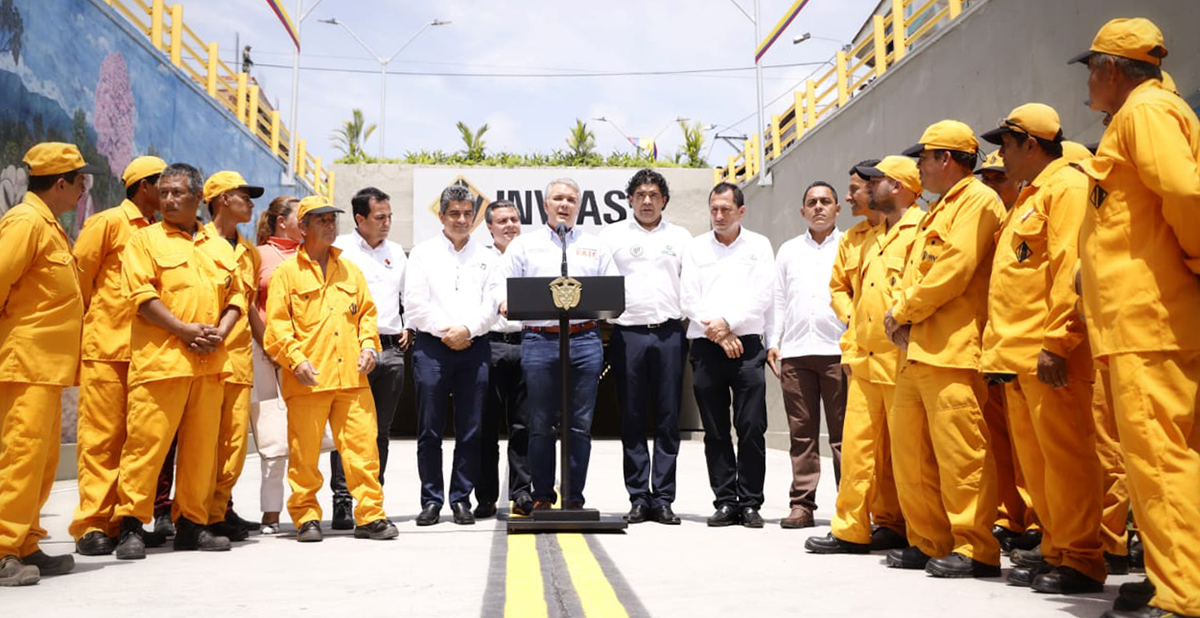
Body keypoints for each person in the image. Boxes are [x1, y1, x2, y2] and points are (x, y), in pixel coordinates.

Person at [1070, 17, 1200, 618]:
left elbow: (1185, 192)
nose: (1088, 84)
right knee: (1158, 460)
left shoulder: (1144, 112)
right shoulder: (1146, 112)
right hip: (1139, 322)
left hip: (1147, 319)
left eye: (1091, 70)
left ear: (1111, 69)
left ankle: (1184, 597)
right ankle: (1171, 575)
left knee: (1159, 460)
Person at [979, 104, 1106, 594]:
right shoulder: (1031, 196)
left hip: (1049, 356)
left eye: (1007, 145)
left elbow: (1070, 272)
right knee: (1042, 468)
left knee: (1067, 462)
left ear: (1031, 143)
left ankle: (1082, 558)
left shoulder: (1067, 188)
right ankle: (1057, 549)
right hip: (1019, 359)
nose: (1002, 155)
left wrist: (1058, 342)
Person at [883, 120, 1004, 578]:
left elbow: (953, 270)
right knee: (911, 453)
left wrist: (903, 310)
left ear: (946, 159)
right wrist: (903, 315)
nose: (919, 166)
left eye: (924, 157)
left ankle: (976, 548)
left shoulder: (978, 201)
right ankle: (930, 540)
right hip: (919, 351)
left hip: (954, 350)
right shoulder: (939, 209)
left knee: (962, 454)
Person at [112, 162, 244, 560]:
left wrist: (220, 331)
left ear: (196, 198)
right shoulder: (145, 241)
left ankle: (192, 525)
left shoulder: (219, 247)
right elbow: (141, 297)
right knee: (145, 448)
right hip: (161, 363)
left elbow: (237, 297)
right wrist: (184, 330)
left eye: (176, 193)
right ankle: (131, 526)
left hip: (209, 365)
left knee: (200, 452)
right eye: (163, 192)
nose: (167, 199)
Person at [805, 156, 922, 554]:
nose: (853, 194)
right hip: (863, 356)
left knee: (902, 454)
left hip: (901, 358)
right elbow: (838, 287)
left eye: (857, 187)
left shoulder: (912, 229)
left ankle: (901, 526)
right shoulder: (856, 238)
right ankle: (852, 528)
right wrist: (855, 316)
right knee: (858, 451)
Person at [263, 195, 398, 543]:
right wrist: (296, 359)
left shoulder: (350, 269)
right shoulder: (286, 273)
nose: (329, 225)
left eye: (331, 219)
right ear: (303, 227)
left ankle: (370, 516)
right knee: (304, 454)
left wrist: (369, 346)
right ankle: (306, 516)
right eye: (320, 220)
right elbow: (277, 326)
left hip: (352, 378)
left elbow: (367, 314)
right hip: (308, 378)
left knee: (363, 451)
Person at [491, 178, 618, 510]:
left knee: (580, 424)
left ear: (579, 206)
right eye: (558, 199)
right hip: (539, 340)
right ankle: (543, 496)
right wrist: (504, 301)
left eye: (571, 199)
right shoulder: (523, 246)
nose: (564, 204)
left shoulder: (595, 245)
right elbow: (500, 285)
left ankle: (574, 498)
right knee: (540, 423)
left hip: (585, 339)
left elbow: (614, 290)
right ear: (545, 205)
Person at [0, 143, 93, 585]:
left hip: (46, 369)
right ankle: (2, 549)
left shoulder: (48, 224)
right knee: (19, 460)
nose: (82, 191)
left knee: (39, 464)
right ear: (61, 183)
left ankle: (25, 542)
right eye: (80, 182)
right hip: (24, 365)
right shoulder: (25, 222)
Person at [69, 155, 164, 556]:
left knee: (138, 442)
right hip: (107, 349)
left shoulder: (160, 232)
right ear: (144, 185)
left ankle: (126, 522)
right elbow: (79, 280)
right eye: (164, 184)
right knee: (101, 440)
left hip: (146, 353)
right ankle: (92, 524)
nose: (170, 192)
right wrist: (91, 328)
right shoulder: (108, 223)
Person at [680, 182, 775, 528]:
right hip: (707, 347)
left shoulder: (759, 246)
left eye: (726, 210)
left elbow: (763, 294)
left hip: (748, 347)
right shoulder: (695, 248)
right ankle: (725, 500)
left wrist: (729, 324)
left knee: (751, 426)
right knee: (716, 429)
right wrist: (720, 334)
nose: (719, 216)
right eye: (714, 209)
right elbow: (688, 299)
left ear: (741, 212)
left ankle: (750, 502)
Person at [600, 169, 692, 525]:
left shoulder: (681, 237)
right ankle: (639, 497)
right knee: (632, 417)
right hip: (628, 335)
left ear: (664, 200)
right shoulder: (612, 236)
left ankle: (664, 497)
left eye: (654, 195)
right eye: (640, 195)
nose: (648, 201)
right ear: (630, 200)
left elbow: (691, 283)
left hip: (670, 333)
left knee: (669, 417)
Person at [405, 186, 494, 526]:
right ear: (441, 216)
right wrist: (449, 331)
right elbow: (414, 304)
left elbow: (493, 304)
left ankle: (461, 499)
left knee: (470, 428)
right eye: (454, 213)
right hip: (432, 348)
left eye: (467, 214)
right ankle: (431, 500)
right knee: (429, 428)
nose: (461, 219)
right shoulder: (423, 254)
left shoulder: (488, 257)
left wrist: (467, 330)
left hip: (474, 347)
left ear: (474, 218)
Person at [973, 150, 1042, 556]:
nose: (991, 185)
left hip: (1023, 348)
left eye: (998, 178)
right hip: (989, 348)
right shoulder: (994, 226)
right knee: (1000, 443)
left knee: (1030, 446)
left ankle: (1035, 520)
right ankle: (1010, 517)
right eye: (986, 178)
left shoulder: (1029, 217)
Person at [767, 181, 846, 530]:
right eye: (811, 202)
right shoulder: (788, 251)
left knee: (845, 436)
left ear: (836, 209)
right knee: (802, 436)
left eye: (825, 201)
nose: (818, 207)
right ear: (802, 211)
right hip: (796, 355)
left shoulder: (850, 246)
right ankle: (802, 505)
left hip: (838, 354)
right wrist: (774, 341)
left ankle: (850, 507)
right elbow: (778, 300)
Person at [330, 187, 410, 530]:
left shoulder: (396, 253)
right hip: (352, 351)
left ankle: (371, 501)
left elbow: (410, 296)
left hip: (391, 350)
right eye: (380, 217)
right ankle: (343, 501)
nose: (387, 223)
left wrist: (410, 327)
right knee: (348, 431)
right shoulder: (341, 251)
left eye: (390, 216)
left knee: (380, 432)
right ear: (360, 219)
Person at [198, 171, 266, 542]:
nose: (251, 203)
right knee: (201, 442)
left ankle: (217, 510)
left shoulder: (249, 252)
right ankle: (193, 514)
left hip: (238, 359)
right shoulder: (196, 243)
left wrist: (269, 348)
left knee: (234, 444)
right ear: (223, 199)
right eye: (244, 196)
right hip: (203, 357)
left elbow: (250, 306)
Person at [475, 199, 532, 518]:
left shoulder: (531, 253)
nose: (510, 225)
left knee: (524, 423)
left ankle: (521, 492)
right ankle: (484, 496)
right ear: (489, 227)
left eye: (514, 219)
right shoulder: (480, 259)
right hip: (490, 345)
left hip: (527, 344)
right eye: (502, 221)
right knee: (486, 424)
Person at [252, 195, 301, 534]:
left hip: (303, 357)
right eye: (303, 215)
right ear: (282, 220)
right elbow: (248, 305)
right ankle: (271, 513)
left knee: (303, 435)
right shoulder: (258, 256)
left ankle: (305, 510)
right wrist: (269, 344)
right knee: (272, 435)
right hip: (264, 353)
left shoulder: (313, 257)